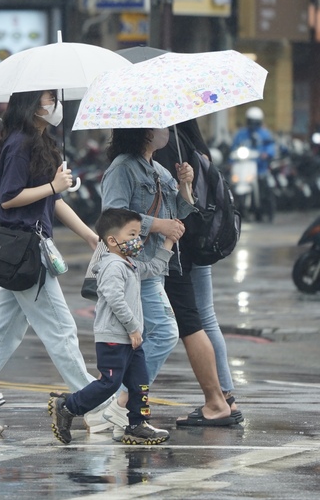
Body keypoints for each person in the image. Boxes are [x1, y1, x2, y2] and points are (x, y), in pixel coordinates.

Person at [0, 90, 110, 435]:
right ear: (33, 104)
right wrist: (52, 185)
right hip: (26, 252)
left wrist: (89, 235)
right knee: (61, 330)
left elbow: (54, 202)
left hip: (28, 250)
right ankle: (95, 406)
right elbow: (8, 199)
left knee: (1, 335)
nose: (54, 105)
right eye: (50, 99)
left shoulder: (38, 141)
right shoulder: (20, 143)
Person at [99, 128, 232, 434]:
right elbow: (112, 216)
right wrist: (157, 225)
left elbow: (180, 212)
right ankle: (122, 403)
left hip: (153, 269)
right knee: (165, 332)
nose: (165, 130)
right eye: (158, 125)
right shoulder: (122, 168)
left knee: (139, 340)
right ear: (144, 133)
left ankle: (111, 405)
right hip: (132, 267)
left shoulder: (158, 169)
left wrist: (185, 187)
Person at [50, 208, 177, 445]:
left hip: (131, 338)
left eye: (139, 235)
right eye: (132, 235)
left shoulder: (130, 264)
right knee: (110, 383)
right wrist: (132, 327)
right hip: (115, 337)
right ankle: (67, 407)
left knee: (140, 382)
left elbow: (155, 268)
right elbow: (113, 297)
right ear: (111, 240)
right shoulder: (112, 266)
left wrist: (169, 241)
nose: (137, 241)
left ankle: (136, 425)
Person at [154, 120, 243, 424]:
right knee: (206, 316)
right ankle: (225, 395)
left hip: (181, 243)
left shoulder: (168, 143)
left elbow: (168, 200)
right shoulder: (193, 142)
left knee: (191, 321)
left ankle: (220, 398)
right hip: (200, 239)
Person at [230, 106, 276, 220]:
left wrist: (266, 154)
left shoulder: (264, 134)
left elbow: (270, 146)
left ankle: (265, 207)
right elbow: (234, 147)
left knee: (264, 183)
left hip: (259, 167)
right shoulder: (241, 134)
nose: (253, 124)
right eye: (251, 121)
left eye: (255, 122)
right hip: (243, 166)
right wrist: (230, 160)